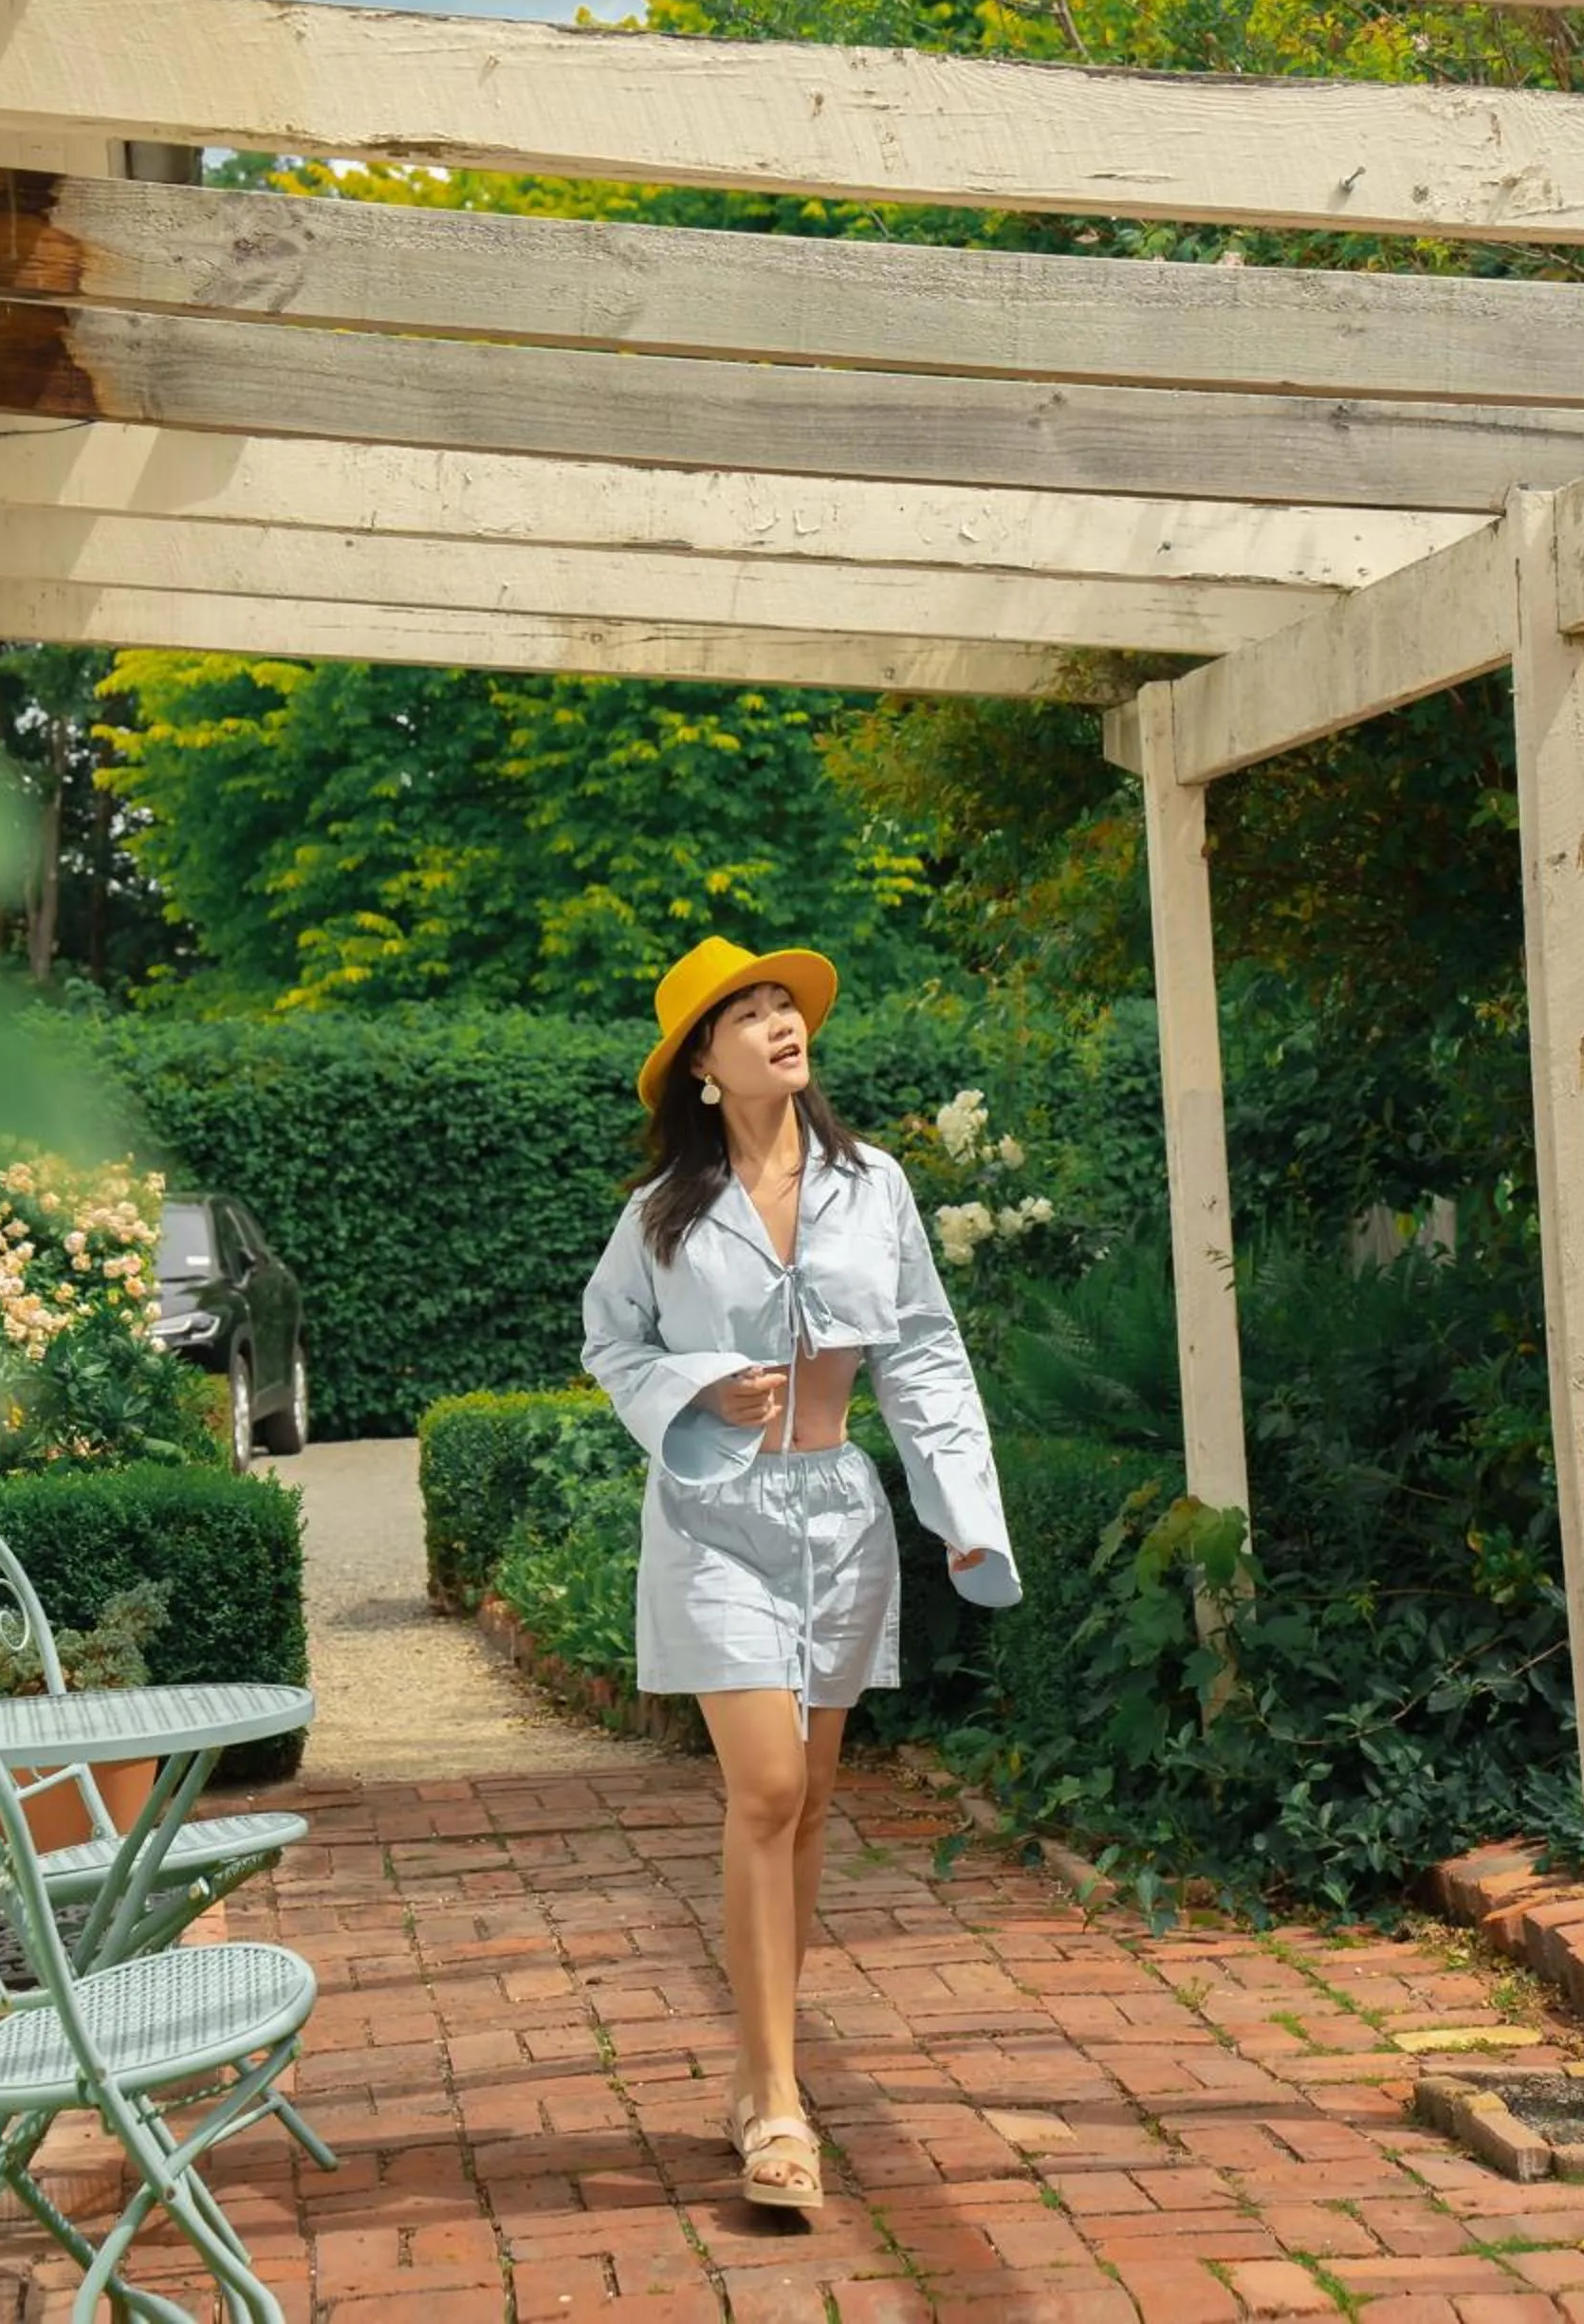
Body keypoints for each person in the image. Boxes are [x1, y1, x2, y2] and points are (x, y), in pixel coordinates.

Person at [581, 934, 1020, 2214]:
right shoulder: (658, 1215)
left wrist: (964, 1509)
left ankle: (754, 2072)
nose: (780, 1025)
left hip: (841, 1512)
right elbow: (611, 1343)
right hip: (715, 1517)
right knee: (764, 1786)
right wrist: (699, 1390)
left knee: (811, 1799)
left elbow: (924, 1351)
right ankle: (778, 2103)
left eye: (787, 1007)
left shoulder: (871, 1184)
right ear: (703, 1069)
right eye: (748, 1014)